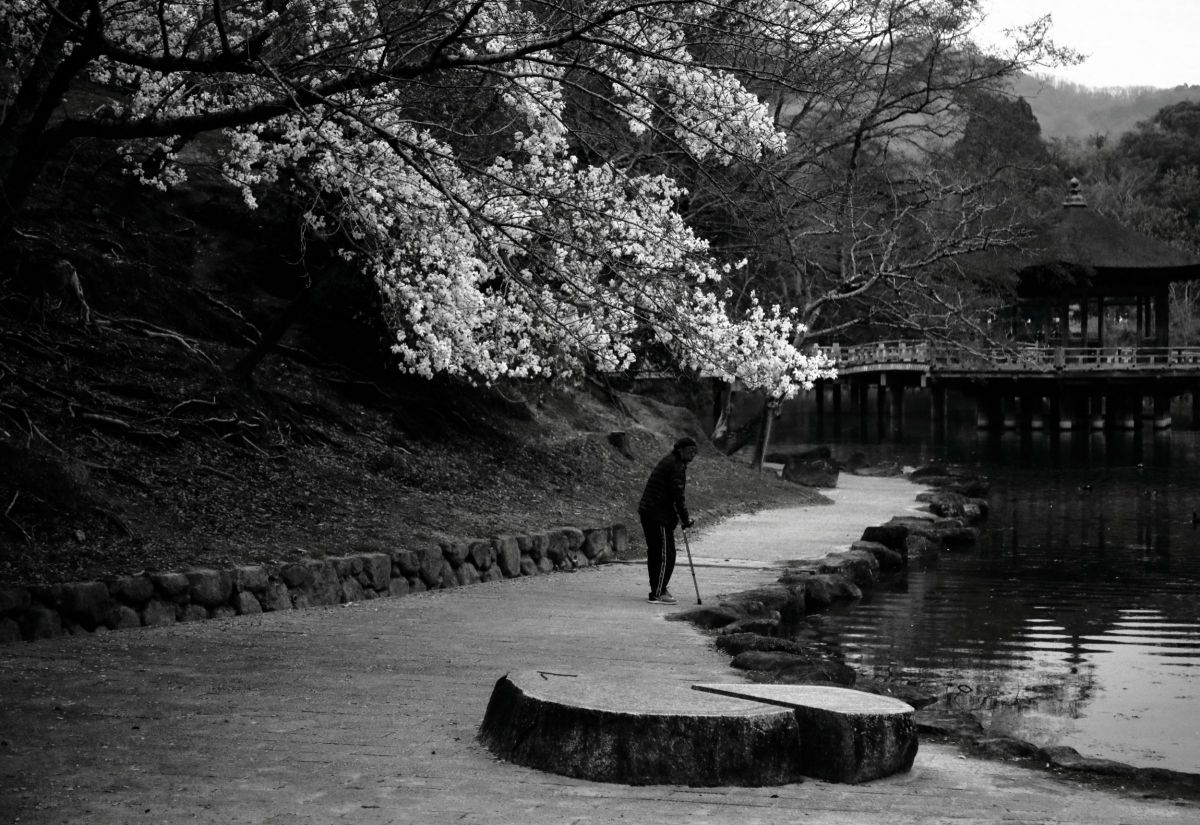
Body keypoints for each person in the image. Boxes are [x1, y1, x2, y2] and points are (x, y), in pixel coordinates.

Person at [638, 436, 698, 604]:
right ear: (680, 450)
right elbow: (678, 496)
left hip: (650, 512)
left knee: (656, 553)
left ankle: (658, 588)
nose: (693, 455)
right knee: (666, 555)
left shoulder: (672, 461)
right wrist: (685, 519)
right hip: (658, 515)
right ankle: (658, 592)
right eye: (690, 451)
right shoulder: (676, 465)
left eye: (695, 452)